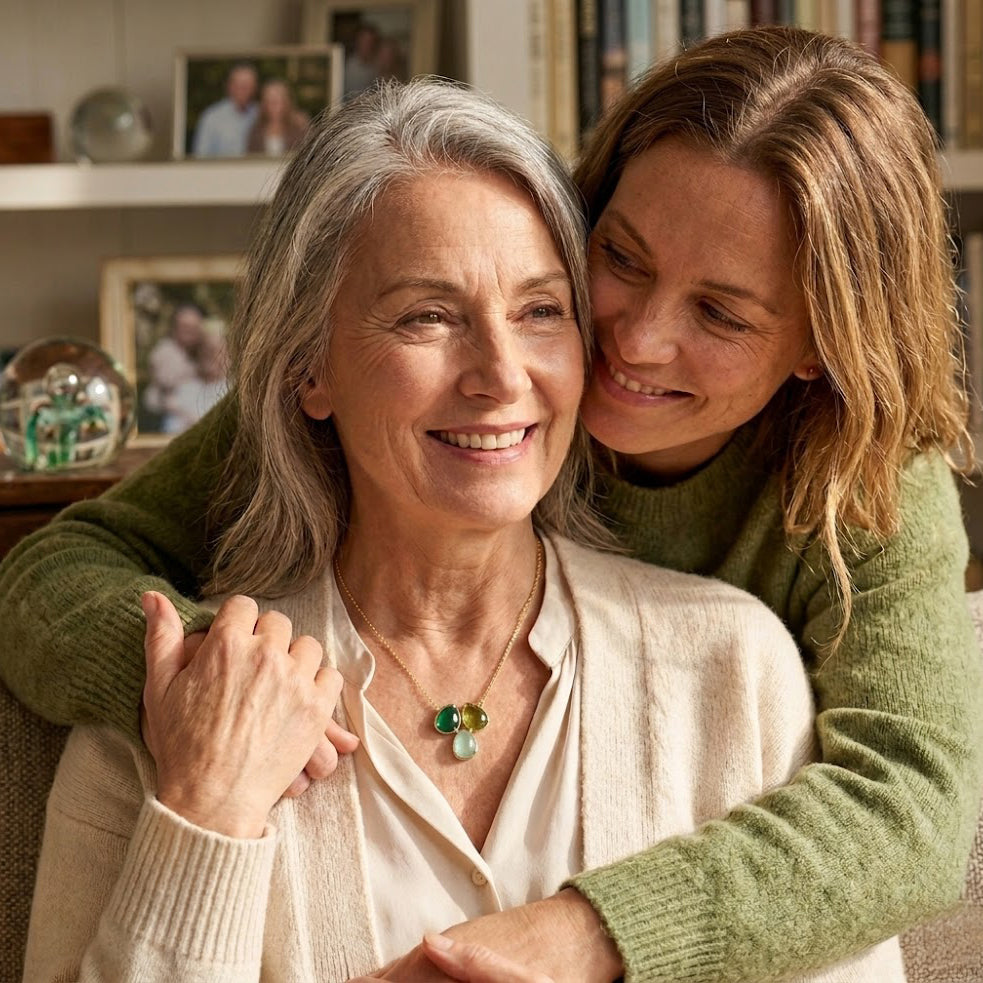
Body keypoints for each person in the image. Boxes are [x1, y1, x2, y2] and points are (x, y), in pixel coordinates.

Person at [2, 25, 980, 981]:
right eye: (621, 260)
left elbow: (907, 807)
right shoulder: (319, 452)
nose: (631, 342)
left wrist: (589, 932)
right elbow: (55, 568)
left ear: (822, 341)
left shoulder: (845, 505)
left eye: (719, 311)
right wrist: (215, 702)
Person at [141, 302, 203, 432]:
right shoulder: (165, 351)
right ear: (174, 328)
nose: (190, 332)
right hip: (165, 415)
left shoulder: (197, 351)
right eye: (185, 327)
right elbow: (168, 390)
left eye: (194, 327)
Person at [191, 62, 259, 158]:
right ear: (230, 86)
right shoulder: (211, 117)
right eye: (240, 85)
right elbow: (200, 156)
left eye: (247, 85)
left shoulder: (260, 113)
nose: (244, 90)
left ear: (254, 88)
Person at [245, 78, 310, 156]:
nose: (273, 106)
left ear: (286, 103)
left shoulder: (299, 127)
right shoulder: (256, 131)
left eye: (277, 101)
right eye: (269, 101)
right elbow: (249, 159)